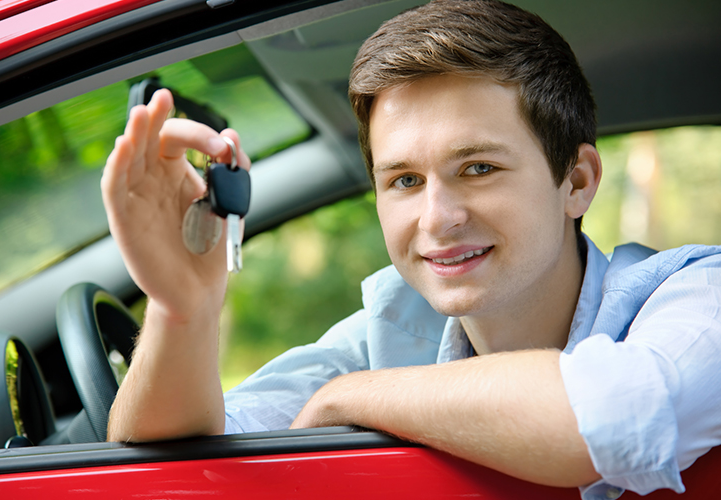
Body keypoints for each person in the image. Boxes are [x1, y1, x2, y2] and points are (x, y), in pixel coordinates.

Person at [101, 1, 721, 499]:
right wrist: (180, 307)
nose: (438, 218)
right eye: (404, 181)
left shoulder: (697, 292)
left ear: (577, 182)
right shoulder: (388, 331)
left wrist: (348, 398)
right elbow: (173, 458)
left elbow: (609, 422)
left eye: (477, 167)